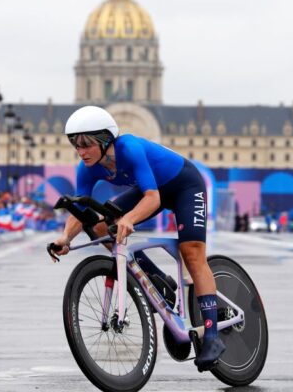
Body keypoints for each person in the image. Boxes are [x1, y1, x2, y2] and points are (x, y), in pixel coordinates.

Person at [50, 106, 225, 371]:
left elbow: (152, 198)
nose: (81, 151)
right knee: (98, 226)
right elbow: (80, 209)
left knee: (191, 252)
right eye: (75, 144)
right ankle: (155, 279)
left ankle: (212, 336)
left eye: (86, 144)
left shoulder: (129, 148)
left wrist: (129, 219)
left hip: (184, 185)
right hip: (152, 190)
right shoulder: (86, 169)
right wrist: (64, 237)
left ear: (105, 139)